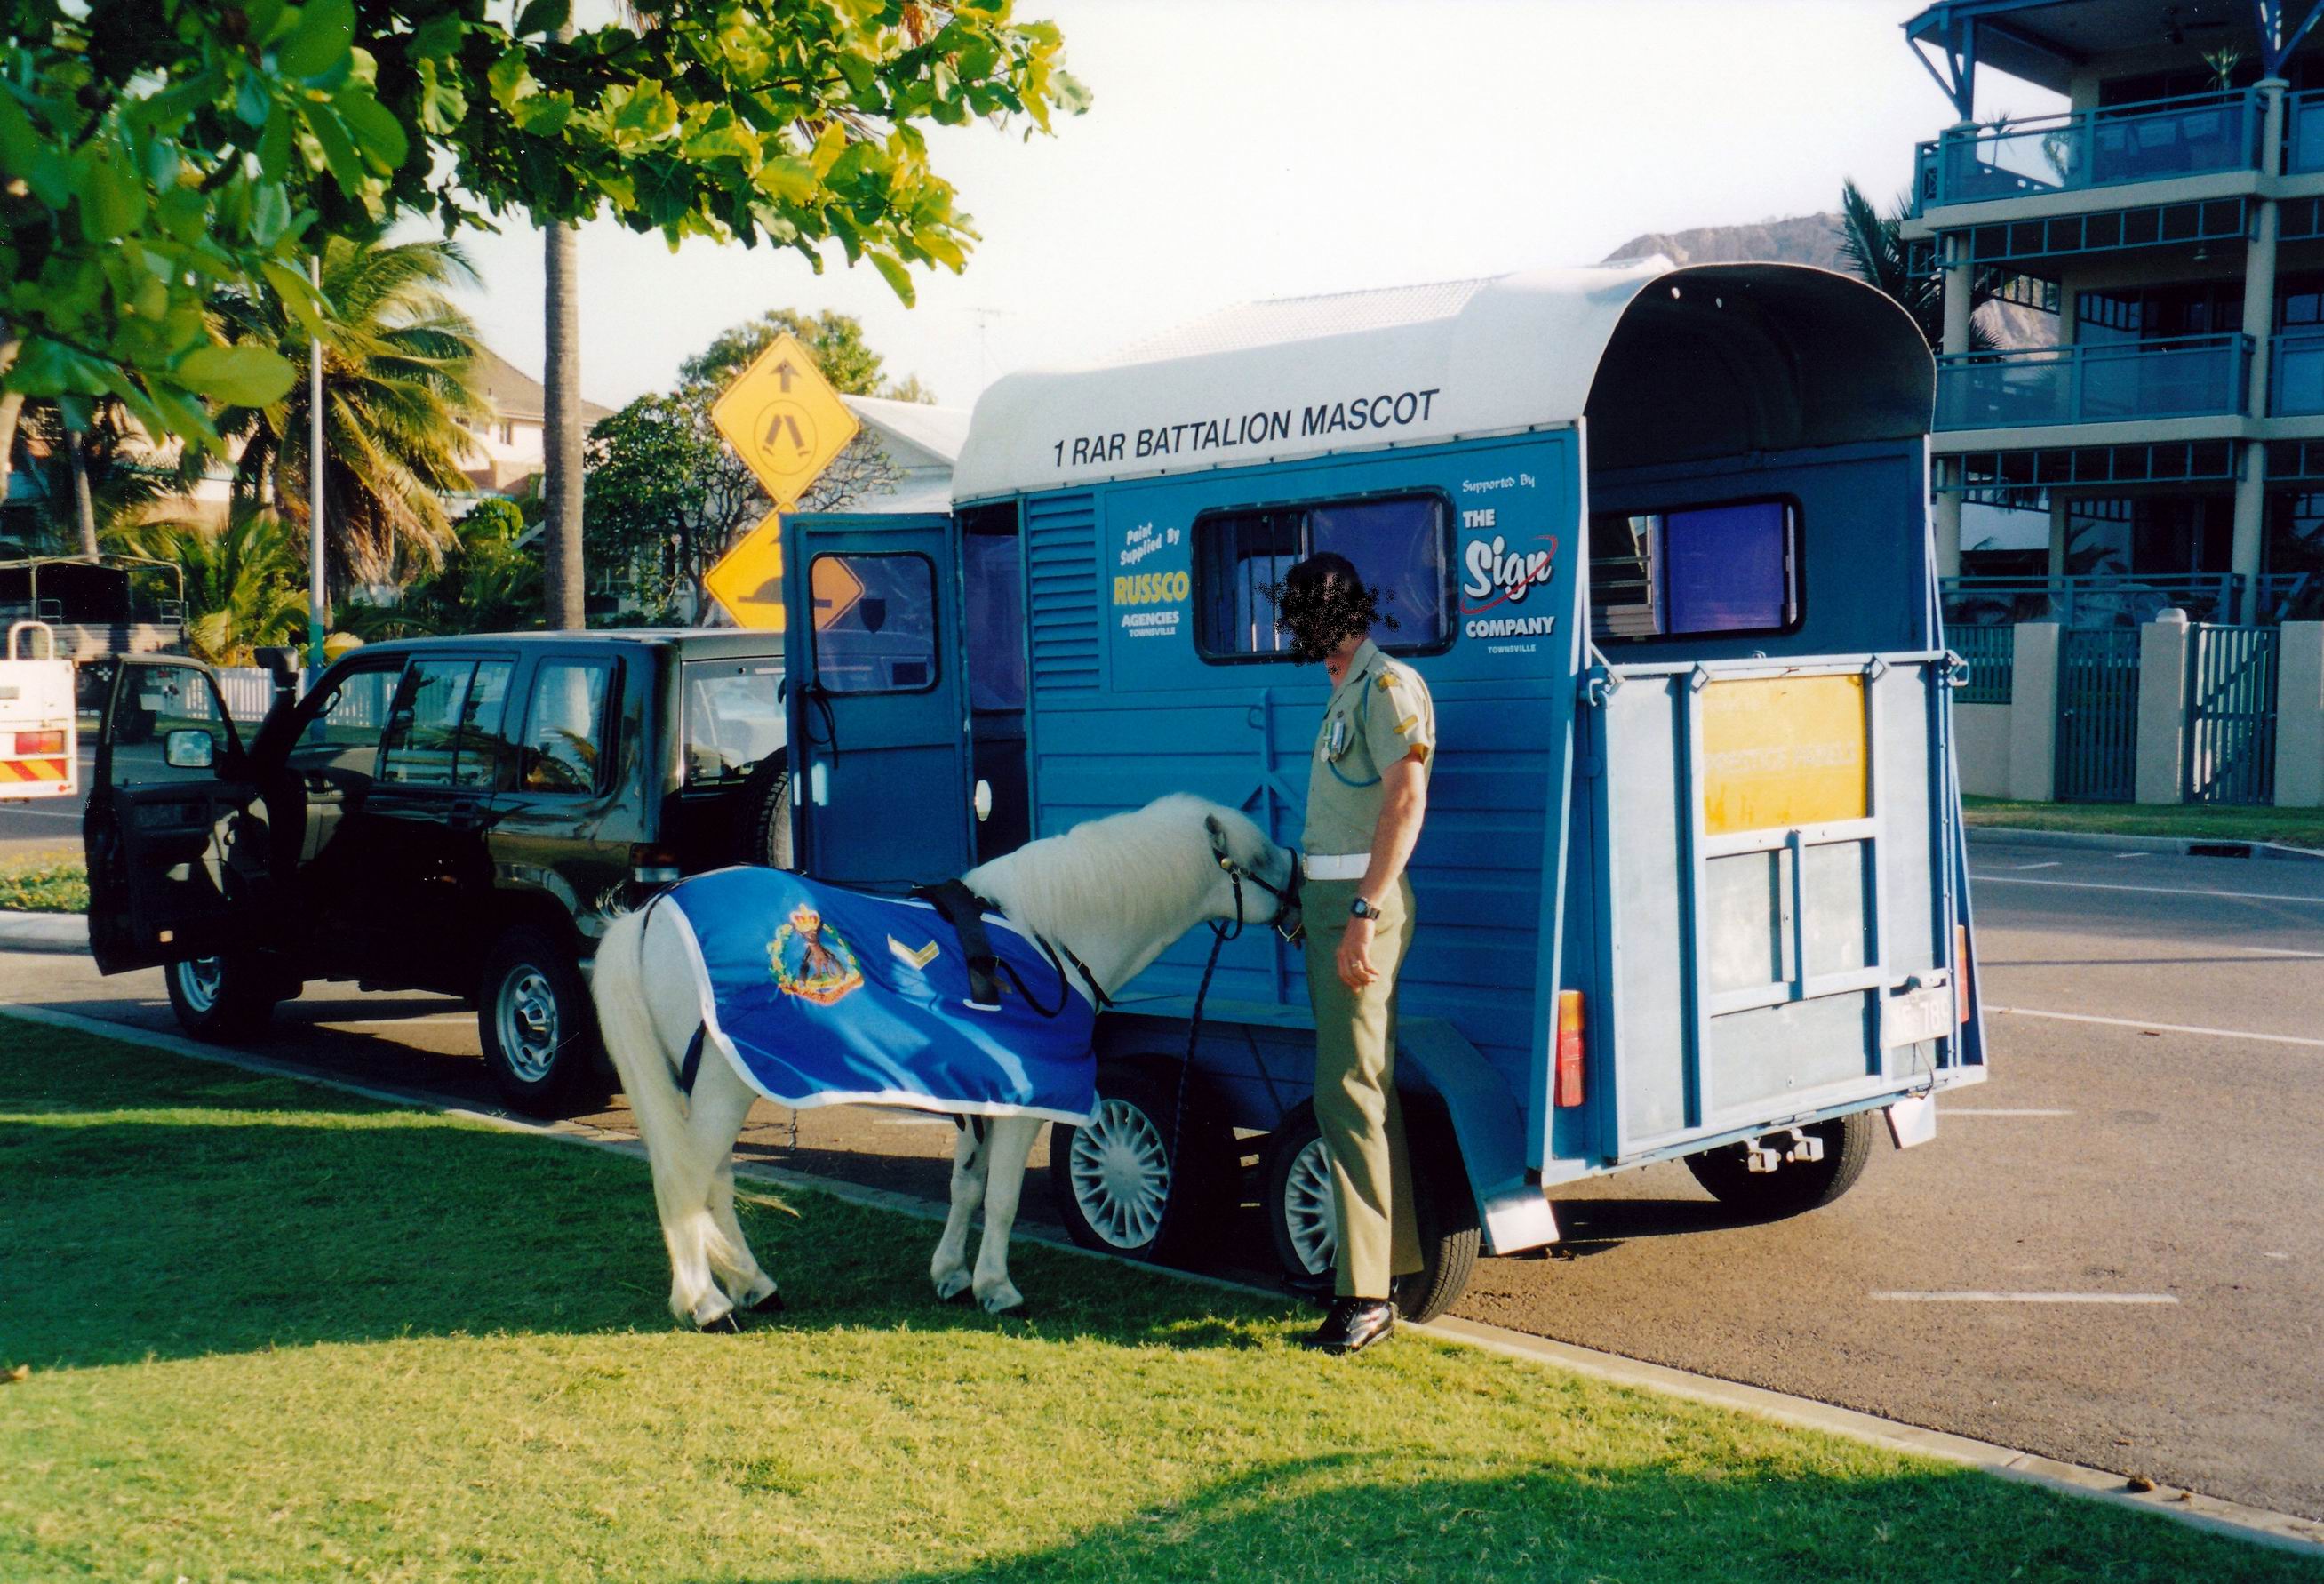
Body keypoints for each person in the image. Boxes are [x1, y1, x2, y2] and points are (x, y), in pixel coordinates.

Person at [1269, 552, 1434, 1356]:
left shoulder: (1385, 686)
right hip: (1332, 901)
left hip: (1359, 908)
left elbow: (1406, 800)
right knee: (1360, 1092)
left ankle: (1365, 1297)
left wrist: (1363, 914)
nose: (1295, 631)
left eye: (1303, 615)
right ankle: (1382, 1272)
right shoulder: (1346, 689)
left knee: (1348, 1092)